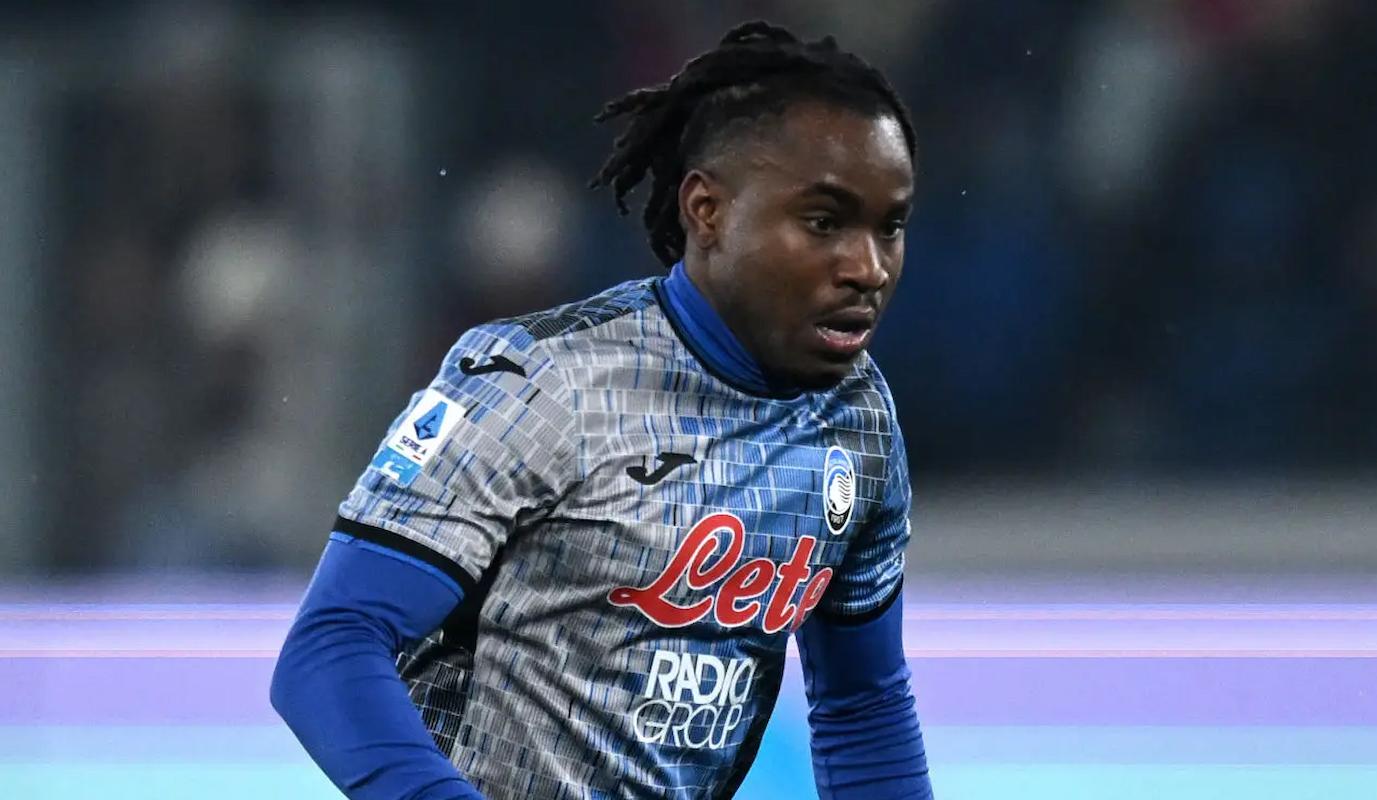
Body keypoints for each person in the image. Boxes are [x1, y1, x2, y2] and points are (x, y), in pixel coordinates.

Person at [271, 20, 932, 800]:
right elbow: (331, 649)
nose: (867, 267)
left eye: (889, 227)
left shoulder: (857, 419)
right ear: (707, 210)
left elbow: (862, 705)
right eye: (823, 222)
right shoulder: (540, 383)